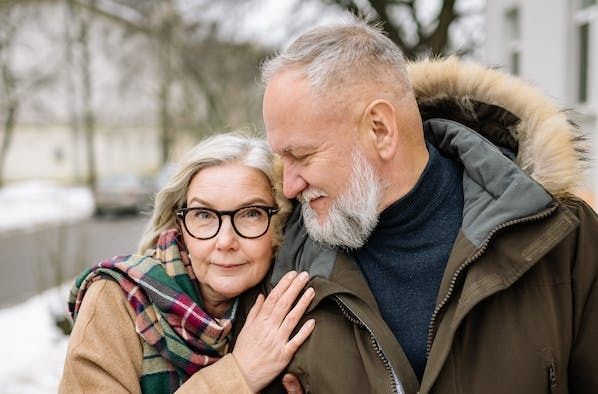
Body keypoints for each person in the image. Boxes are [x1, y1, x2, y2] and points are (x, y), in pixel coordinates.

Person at [260, 17, 598, 394]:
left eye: (302, 155)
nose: (288, 185)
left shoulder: (561, 236)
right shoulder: (283, 261)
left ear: (380, 130)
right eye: (281, 158)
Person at [59, 132, 316, 394]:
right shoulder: (115, 300)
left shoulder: (286, 304)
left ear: (279, 225)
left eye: (252, 213)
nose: (225, 240)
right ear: (179, 225)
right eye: (203, 214)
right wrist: (239, 374)